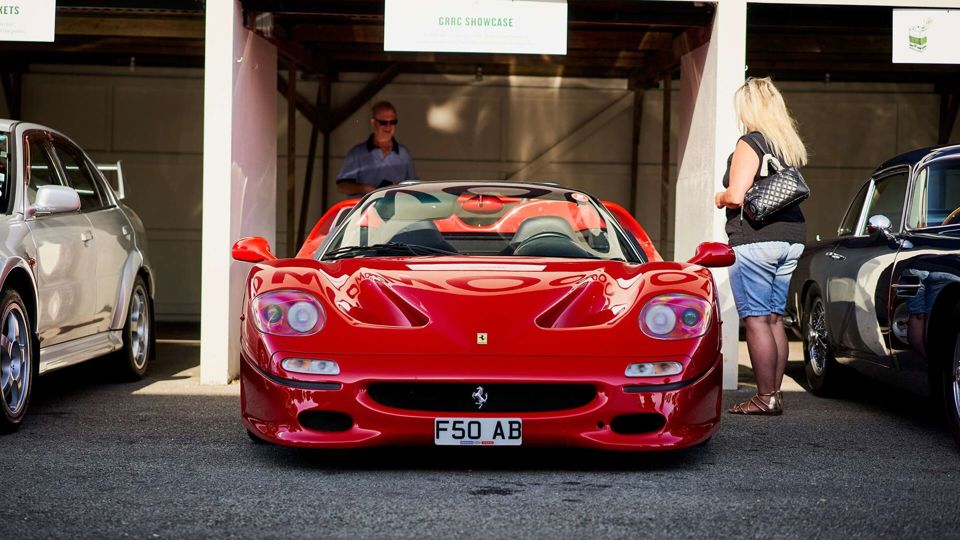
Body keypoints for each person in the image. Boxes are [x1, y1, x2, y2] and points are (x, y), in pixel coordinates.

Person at [714, 77, 808, 416]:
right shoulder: (785, 145)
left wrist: (720, 196)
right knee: (773, 318)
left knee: (755, 319)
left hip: (756, 240)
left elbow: (736, 195)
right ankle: (774, 394)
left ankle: (765, 397)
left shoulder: (750, 142)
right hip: (791, 237)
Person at [336, 101, 417, 197]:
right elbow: (342, 186)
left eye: (393, 122)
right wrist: (364, 188)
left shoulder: (404, 153)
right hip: (366, 206)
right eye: (383, 122)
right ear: (373, 123)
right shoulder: (357, 153)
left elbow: (414, 186)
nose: (388, 126)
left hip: (396, 206)